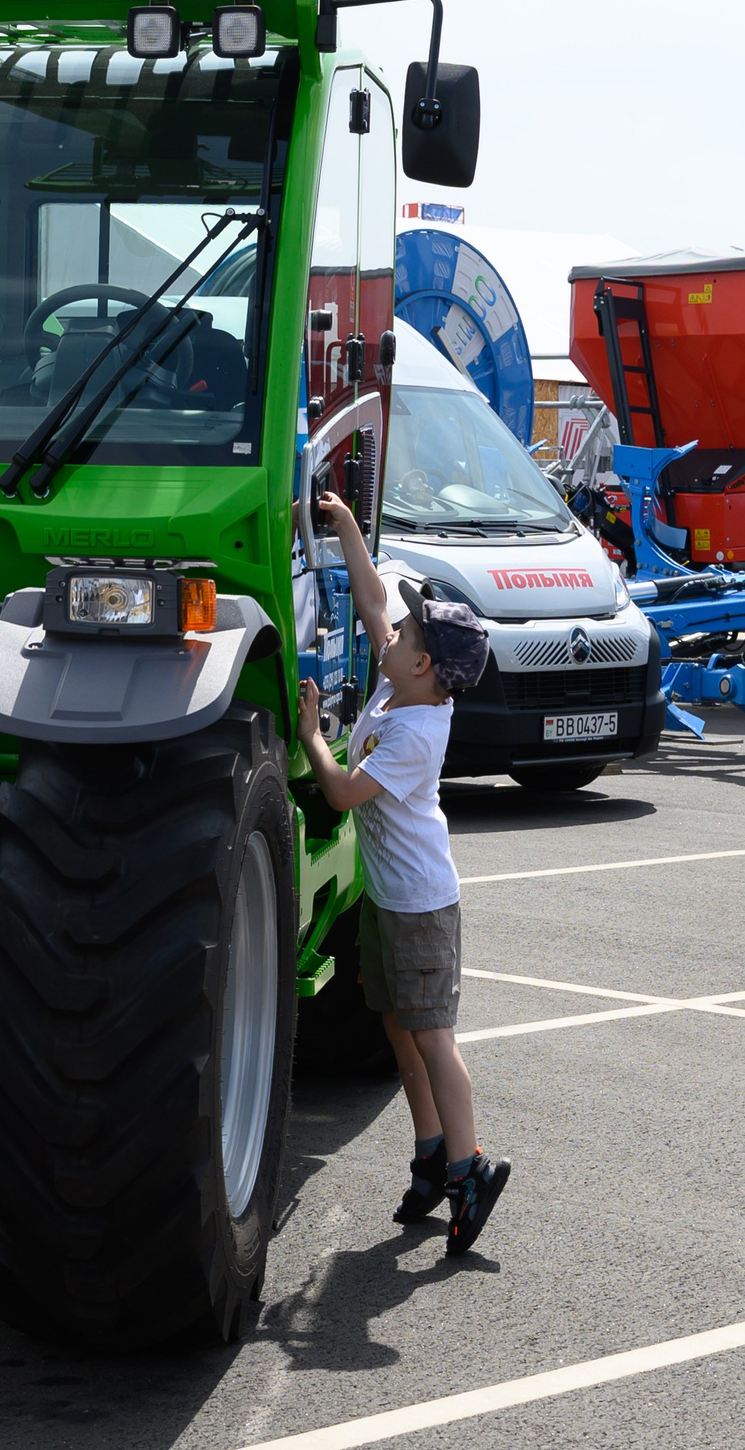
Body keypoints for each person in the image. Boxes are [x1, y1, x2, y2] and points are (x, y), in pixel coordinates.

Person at [295, 491, 511, 1254]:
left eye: (406, 634)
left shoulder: (417, 730)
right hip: (391, 900)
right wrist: (347, 525)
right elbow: (371, 601)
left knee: (433, 1035)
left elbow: (343, 792)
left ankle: (469, 1165)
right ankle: (430, 1153)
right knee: (396, 1023)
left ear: (423, 663)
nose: (387, 635)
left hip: (421, 905)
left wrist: (311, 736)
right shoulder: (402, 683)